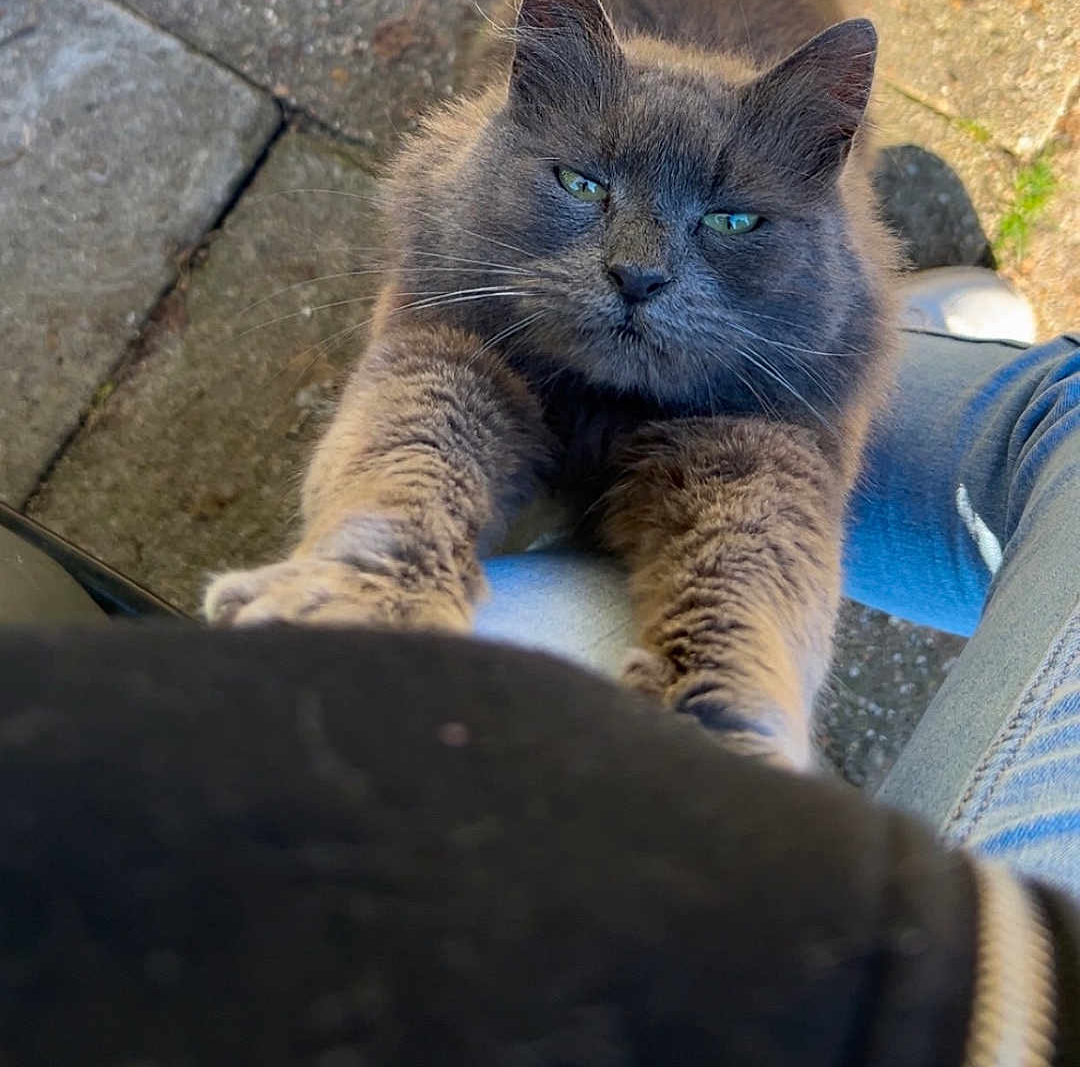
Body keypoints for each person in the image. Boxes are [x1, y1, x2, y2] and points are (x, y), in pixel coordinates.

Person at [1, 271, 1078, 1064]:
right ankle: (831, 373)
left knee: (555, 450)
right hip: (911, 993)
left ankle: (800, 381)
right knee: (1042, 419)